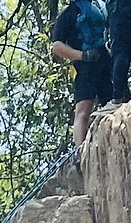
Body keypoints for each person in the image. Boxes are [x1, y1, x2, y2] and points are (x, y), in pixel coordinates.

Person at [50, 0, 111, 148]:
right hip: (86, 66)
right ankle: (80, 150)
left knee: (115, 101)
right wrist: (82, 55)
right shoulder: (69, 12)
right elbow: (56, 46)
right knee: (83, 109)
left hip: (108, 62)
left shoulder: (102, 5)